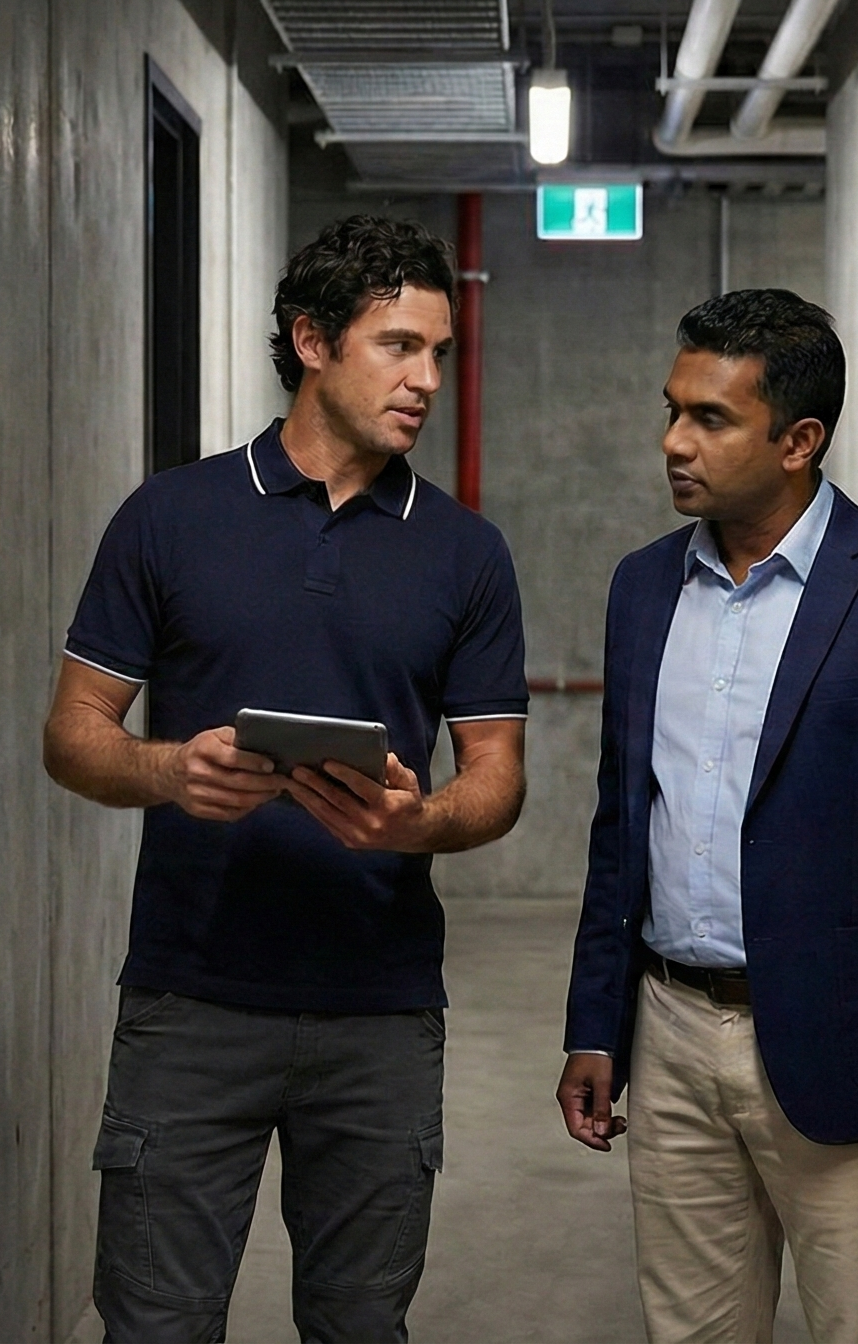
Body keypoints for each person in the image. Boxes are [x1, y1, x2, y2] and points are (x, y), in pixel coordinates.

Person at [44, 215, 529, 1341]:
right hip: (191, 1000)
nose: (426, 380)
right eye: (397, 345)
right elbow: (73, 732)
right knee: (157, 1324)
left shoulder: (466, 555)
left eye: (439, 354)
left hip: (381, 1009)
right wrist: (170, 770)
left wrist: (417, 822)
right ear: (311, 341)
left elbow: (497, 775)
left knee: (361, 1326)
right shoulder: (170, 517)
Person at [553, 289, 858, 1343]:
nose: (674, 442)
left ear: (799, 441)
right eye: (672, 409)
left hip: (845, 1046)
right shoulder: (644, 589)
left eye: (710, 419)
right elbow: (620, 826)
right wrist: (597, 1022)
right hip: (671, 1032)